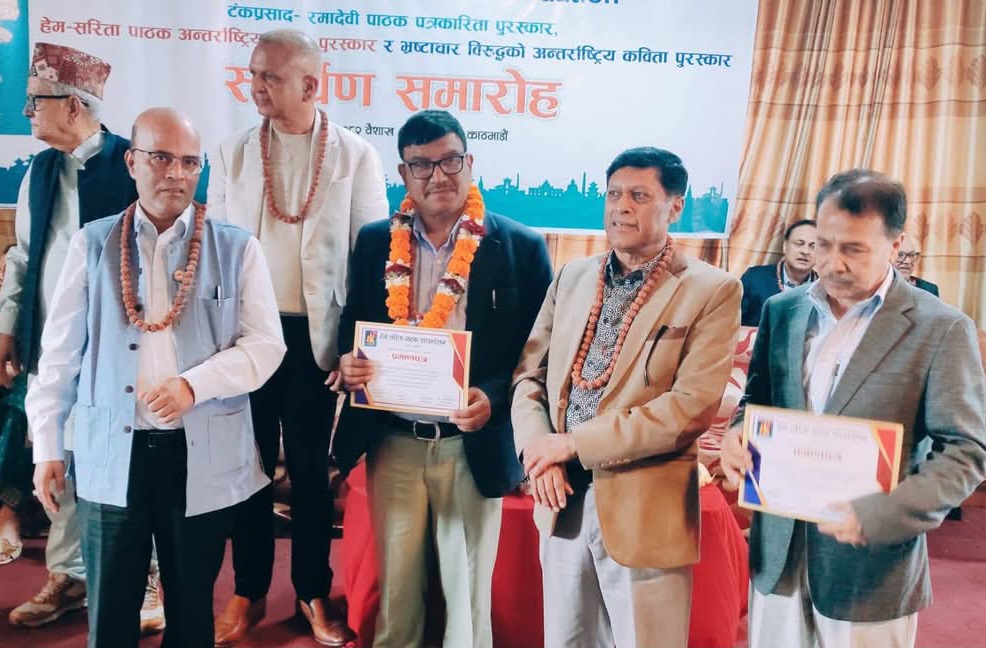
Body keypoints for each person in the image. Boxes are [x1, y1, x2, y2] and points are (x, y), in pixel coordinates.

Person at [26, 107, 286, 648]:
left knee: (191, 614)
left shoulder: (237, 247)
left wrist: (195, 385)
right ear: (131, 162)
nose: (176, 173)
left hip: (200, 455)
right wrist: (47, 445)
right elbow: (60, 355)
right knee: (110, 615)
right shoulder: (92, 244)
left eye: (189, 162)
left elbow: (266, 346)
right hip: (110, 453)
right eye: (161, 157)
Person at [720, 169, 986, 648]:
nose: (833, 263)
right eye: (824, 245)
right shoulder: (783, 310)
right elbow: (758, 399)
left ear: (896, 244)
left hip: (870, 567)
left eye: (854, 249)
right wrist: (739, 432)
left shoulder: (941, 327)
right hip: (778, 553)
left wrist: (885, 513)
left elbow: (966, 452)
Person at [333, 109, 553, 648]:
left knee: (468, 593)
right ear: (404, 175)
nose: (438, 176)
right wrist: (348, 362)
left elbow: (541, 352)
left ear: (470, 162)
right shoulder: (374, 241)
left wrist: (493, 398)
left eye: (450, 160)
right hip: (393, 441)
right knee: (396, 592)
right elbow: (353, 325)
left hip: (471, 443)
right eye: (422, 165)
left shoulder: (520, 245)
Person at [511, 146, 741, 648]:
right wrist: (538, 452)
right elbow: (529, 377)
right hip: (561, 499)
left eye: (639, 196)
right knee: (566, 641)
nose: (621, 207)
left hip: (645, 508)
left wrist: (573, 444)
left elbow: (689, 408)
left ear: (675, 207)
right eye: (614, 194)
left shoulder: (712, 290)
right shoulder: (571, 276)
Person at [206, 28, 387, 647]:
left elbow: (371, 257)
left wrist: (355, 345)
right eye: (253, 74)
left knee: (310, 473)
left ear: (310, 85)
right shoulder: (231, 152)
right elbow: (216, 255)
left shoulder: (356, 155)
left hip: (317, 339)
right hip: (246, 338)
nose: (256, 86)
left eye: (270, 76)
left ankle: (312, 590)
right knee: (247, 469)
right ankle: (249, 590)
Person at [0, 42, 164, 633]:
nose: (27, 113)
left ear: (73, 105)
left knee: (125, 458)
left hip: (123, 348)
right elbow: (23, 256)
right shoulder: (41, 170)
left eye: (36, 102)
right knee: (59, 456)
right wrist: (7, 327)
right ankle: (70, 575)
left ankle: (146, 576)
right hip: (53, 342)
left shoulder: (132, 162)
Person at [739, 219, 817, 326]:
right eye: (799, 244)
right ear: (785, 246)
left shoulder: (826, 291)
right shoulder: (754, 278)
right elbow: (730, 322)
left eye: (813, 246)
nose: (805, 251)